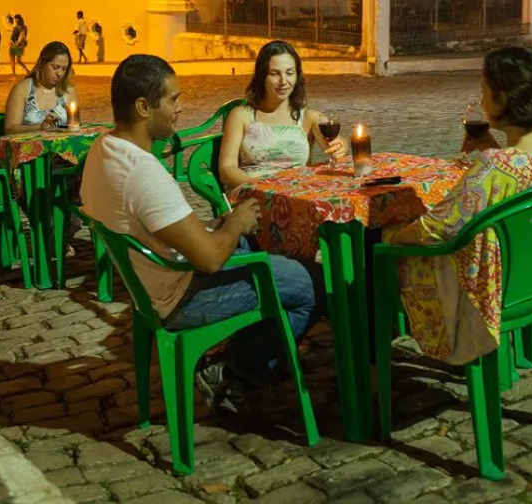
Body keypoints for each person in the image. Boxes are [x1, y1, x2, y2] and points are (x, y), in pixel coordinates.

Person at [80, 54, 324, 414]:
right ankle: (238, 370)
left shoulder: (104, 149)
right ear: (144, 107)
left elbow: (170, 229)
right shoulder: (143, 172)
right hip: (184, 295)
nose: (180, 109)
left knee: (265, 252)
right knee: (315, 283)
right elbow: (209, 258)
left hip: (155, 282)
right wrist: (237, 221)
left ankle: (254, 350)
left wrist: (221, 227)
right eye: (173, 99)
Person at [382, 46, 532, 365]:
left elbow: (438, 228)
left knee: (377, 247)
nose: (481, 101)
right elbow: (520, 181)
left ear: (504, 99)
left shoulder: (492, 166)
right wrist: (495, 150)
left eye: (485, 92)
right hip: (528, 278)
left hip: (481, 291)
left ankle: (370, 353)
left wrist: (392, 239)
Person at [219, 40, 346, 189]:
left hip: (296, 197)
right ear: (262, 76)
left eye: (289, 73)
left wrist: (341, 145)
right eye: (275, 74)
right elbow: (227, 169)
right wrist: (262, 189)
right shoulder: (241, 116)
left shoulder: (307, 118)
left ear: (297, 76)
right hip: (253, 197)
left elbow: (334, 143)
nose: (283, 81)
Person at [4, 41, 78, 133]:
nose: (59, 73)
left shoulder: (68, 91)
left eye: (64, 69)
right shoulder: (23, 89)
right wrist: (40, 127)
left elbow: (75, 126)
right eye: (55, 67)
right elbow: (10, 128)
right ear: (42, 63)